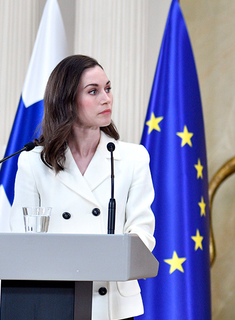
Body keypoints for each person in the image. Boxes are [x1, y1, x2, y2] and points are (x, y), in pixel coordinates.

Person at [10, 55, 155, 320]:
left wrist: (109, 256)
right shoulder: (32, 162)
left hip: (113, 305)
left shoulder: (135, 158)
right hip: (54, 301)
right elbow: (22, 238)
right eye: (93, 91)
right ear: (66, 100)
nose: (106, 98)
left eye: (108, 89)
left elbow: (143, 233)